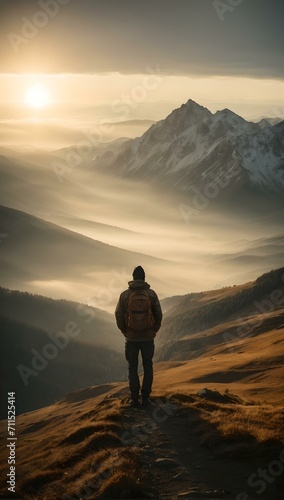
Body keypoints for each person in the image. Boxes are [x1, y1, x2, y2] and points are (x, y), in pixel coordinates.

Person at [115, 266, 162, 407]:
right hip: (148, 337)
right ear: (144, 278)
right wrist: (154, 330)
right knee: (148, 366)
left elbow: (118, 314)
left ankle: (134, 399)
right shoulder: (151, 294)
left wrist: (125, 330)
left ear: (133, 278)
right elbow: (159, 314)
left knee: (132, 367)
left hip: (131, 338)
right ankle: (146, 397)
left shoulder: (124, 295)